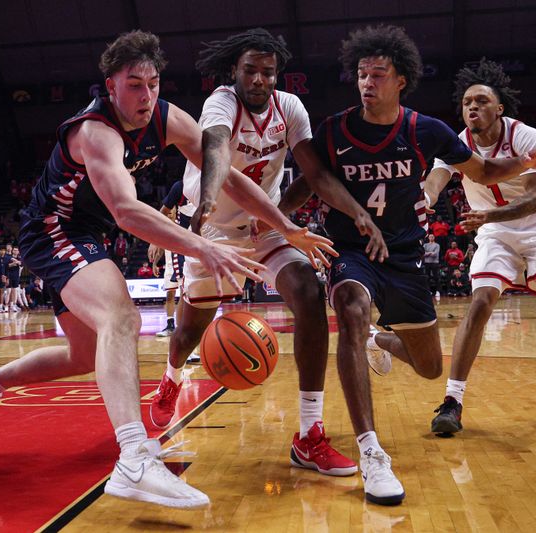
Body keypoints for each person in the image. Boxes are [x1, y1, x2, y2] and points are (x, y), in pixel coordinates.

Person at [0, 30, 301, 510]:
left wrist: (285, 225)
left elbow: (229, 175)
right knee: (122, 317)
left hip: (88, 232)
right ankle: (133, 457)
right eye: (134, 85)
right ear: (110, 86)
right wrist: (202, 245)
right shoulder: (94, 132)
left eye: (153, 84)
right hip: (54, 230)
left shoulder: (165, 117)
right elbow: (127, 212)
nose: (146, 96)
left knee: (83, 355)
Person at [301, 26, 536, 505]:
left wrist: (527, 163)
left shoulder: (427, 130)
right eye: (361, 74)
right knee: (351, 310)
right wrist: (272, 219)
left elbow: (484, 171)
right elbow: (312, 179)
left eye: (378, 74)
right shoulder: (335, 129)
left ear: (401, 80)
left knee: (428, 367)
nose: (367, 82)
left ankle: (381, 340)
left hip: (403, 256)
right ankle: (371, 451)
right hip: (353, 250)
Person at [149, 29, 373, 484]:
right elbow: (215, 148)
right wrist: (208, 198)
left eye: (267, 72)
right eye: (250, 70)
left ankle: (309, 434)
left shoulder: (289, 108)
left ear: (277, 75)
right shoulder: (221, 103)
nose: (258, 79)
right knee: (189, 331)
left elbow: (313, 173)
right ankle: (171, 379)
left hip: (265, 227)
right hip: (211, 229)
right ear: (234, 71)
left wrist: (294, 217)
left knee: (308, 294)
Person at [423, 58, 536, 435]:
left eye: (481, 101)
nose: (472, 107)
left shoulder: (525, 136)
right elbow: (437, 177)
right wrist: (425, 197)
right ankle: (452, 400)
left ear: (499, 108)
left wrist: (488, 215)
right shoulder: (456, 144)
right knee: (481, 302)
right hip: (497, 233)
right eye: (467, 102)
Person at [148, 180, 195, 338]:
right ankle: (173, 327)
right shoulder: (180, 188)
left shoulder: (181, 222)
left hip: (189, 251)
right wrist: (155, 262)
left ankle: (185, 329)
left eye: (170, 212)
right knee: (175, 293)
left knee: (187, 291)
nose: (169, 214)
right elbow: (161, 245)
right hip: (174, 258)